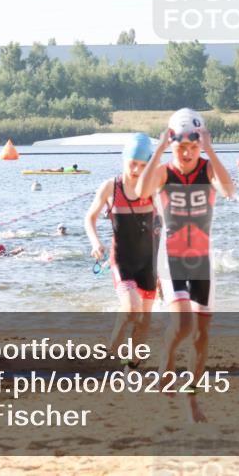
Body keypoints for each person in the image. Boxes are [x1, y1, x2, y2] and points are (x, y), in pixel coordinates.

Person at [136, 108, 236, 423]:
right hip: (172, 257)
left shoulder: (208, 169)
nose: (188, 152)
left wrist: (210, 150)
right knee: (182, 326)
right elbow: (141, 191)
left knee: (201, 334)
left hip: (202, 261)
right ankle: (165, 362)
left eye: (193, 146)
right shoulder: (164, 171)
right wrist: (159, 151)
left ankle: (191, 399)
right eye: (182, 147)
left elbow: (230, 190)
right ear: (173, 144)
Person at [85, 133, 161, 364]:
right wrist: (95, 242)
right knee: (131, 309)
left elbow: (168, 222)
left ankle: (133, 365)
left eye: (142, 165)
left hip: (149, 263)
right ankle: (114, 342)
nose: (137, 170)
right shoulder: (111, 187)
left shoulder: (154, 189)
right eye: (132, 164)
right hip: (122, 262)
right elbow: (90, 218)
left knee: (144, 318)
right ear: (124, 159)